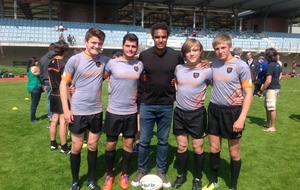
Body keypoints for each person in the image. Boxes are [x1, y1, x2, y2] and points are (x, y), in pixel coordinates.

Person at [131, 22, 184, 188]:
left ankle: (161, 170)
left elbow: (188, 68)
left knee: (162, 140)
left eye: (163, 37)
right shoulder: (144, 55)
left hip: (167, 105)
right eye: (157, 37)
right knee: (145, 140)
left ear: (167, 37)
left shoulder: (176, 56)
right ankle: (141, 169)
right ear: (153, 38)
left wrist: (203, 64)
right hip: (147, 104)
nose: (160, 40)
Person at [60, 28, 110, 190]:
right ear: (86, 42)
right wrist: (66, 110)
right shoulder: (75, 60)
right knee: (75, 147)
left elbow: (120, 65)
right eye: (93, 43)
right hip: (77, 111)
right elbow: (63, 84)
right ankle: (75, 181)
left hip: (95, 111)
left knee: (93, 146)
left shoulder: (104, 61)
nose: (96, 46)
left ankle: (91, 180)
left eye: (99, 44)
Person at [202, 34, 253, 190]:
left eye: (223, 47)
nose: (220, 51)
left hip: (232, 113)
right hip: (214, 110)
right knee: (214, 148)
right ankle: (214, 180)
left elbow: (249, 93)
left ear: (230, 47)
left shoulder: (241, 65)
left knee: (234, 152)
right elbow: (214, 83)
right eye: (216, 48)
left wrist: (241, 118)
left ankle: (233, 185)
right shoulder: (214, 65)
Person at [101, 33, 144, 190]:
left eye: (133, 46)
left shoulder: (140, 65)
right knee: (111, 144)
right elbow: (100, 78)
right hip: (113, 111)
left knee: (128, 143)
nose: (130, 49)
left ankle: (124, 174)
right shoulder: (112, 63)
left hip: (131, 111)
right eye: (128, 46)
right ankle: (109, 175)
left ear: (136, 47)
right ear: (122, 46)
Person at [171, 39, 212, 190]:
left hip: (197, 115)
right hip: (180, 113)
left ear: (201, 51)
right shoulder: (178, 68)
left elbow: (220, 84)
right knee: (182, 147)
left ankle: (197, 177)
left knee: (198, 148)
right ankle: (181, 175)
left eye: (195, 50)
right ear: (184, 53)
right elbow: (174, 83)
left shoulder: (207, 69)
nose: (192, 53)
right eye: (189, 50)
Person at [48, 40, 70, 153]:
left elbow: (50, 81)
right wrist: (69, 98)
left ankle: (53, 143)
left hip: (53, 93)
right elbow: (64, 83)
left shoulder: (50, 62)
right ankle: (64, 147)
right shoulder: (63, 64)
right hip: (61, 95)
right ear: (64, 51)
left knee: (54, 119)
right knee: (63, 121)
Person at [260, 48, 282, 132]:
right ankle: (268, 122)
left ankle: (272, 126)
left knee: (271, 107)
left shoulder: (270, 66)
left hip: (271, 88)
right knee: (267, 106)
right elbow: (279, 76)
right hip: (275, 87)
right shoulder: (277, 65)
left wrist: (262, 89)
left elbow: (268, 80)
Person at [39, 43, 55, 126]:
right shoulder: (56, 58)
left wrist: (43, 83)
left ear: (49, 49)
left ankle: (51, 117)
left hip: (46, 81)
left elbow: (41, 73)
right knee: (57, 100)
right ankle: (57, 118)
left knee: (49, 100)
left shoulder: (42, 59)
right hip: (55, 81)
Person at [27, 57, 42, 122]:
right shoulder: (35, 68)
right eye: (36, 61)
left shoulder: (29, 68)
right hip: (36, 86)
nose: (37, 62)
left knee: (33, 102)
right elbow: (40, 73)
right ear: (34, 62)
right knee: (35, 103)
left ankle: (33, 116)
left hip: (31, 86)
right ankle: (33, 118)